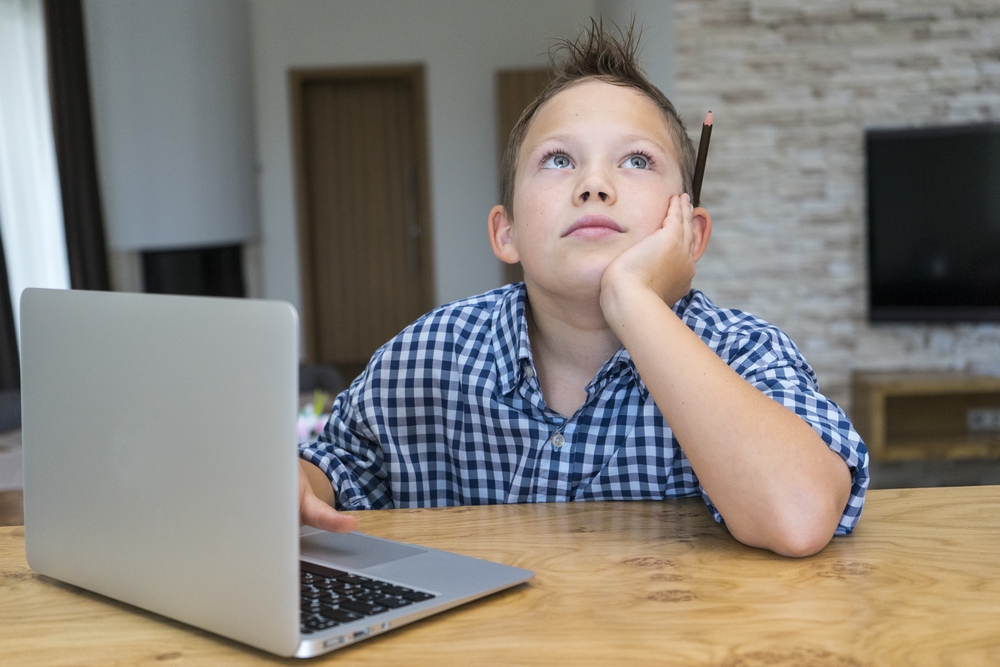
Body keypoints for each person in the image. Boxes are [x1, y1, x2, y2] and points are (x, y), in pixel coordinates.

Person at [297, 20, 869, 557]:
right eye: (559, 159)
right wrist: (294, 483)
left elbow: (800, 515)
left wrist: (634, 301)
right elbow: (331, 468)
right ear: (508, 231)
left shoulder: (743, 352)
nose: (594, 184)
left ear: (690, 234)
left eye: (637, 160)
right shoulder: (428, 356)